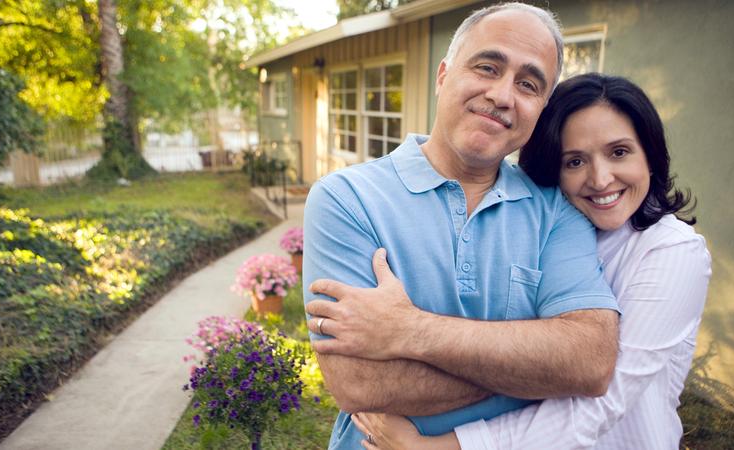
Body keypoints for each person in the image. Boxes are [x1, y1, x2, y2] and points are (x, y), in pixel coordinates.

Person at [302, 3, 621, 449]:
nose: (503, 95)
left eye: (528, 84)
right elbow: (359, 382)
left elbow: (589, 362)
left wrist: (407, 329)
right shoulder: (347, 199)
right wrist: (534, 367)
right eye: (487, 66)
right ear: (442, 75)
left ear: (541, 108)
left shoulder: (557, 211)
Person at [346, 74, 712, 449]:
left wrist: (442, 447)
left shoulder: (671, 250)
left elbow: (603, 398)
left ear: (650, 156)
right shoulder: (549, 226)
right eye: (575, 161)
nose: (600, 179)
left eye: (619, 152)